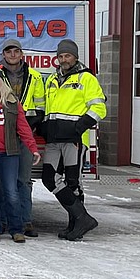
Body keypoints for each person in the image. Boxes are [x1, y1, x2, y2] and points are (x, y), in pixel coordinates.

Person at [42, 38, 106, 241]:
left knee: (73, 182)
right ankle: (83, 218)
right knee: (48, 178)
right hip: (53, 139)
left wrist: (78, 127)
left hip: (74, 140)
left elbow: (99, 107)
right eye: (60, 56)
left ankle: (75, 225)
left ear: (75, 57)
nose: (63, 59)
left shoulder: (86, 78)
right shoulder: (52, 79)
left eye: (67, 56)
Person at [0, 65, 42, 243]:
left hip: (9, 153)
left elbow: (23, 127)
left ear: (1, 81)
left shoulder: (12, 102)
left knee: (11, 191)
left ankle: (16, 229)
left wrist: (33, 148)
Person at [0, 38, 46, 237]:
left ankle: (26, 221)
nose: (12, 55)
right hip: (1, 133)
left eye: (15, 51)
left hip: (27, 134)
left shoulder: (35, 76)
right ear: (4, 55)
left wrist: (26, 127)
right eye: (8, 52)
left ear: (22, 54)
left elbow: (41, 108)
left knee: (24, 180)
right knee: (2, 180)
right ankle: (1, 221)